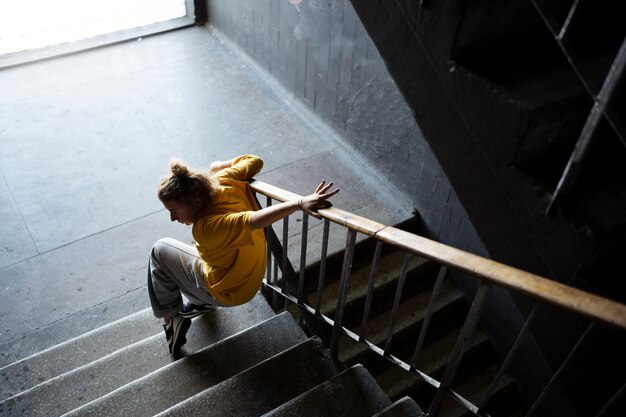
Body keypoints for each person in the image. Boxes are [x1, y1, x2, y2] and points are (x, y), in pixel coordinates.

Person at [148, 154, 339, 354]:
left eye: (174, 210)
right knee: (196, 251)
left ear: (195, 200)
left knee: (159, 250)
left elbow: (254, 220)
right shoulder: (225, 180)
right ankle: (199, 303)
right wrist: (221, 165)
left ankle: (171, 318)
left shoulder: (207, 227)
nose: (172, 218)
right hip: (248, 281)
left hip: (227, 292)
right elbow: (255, 161)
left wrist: (299, 203)